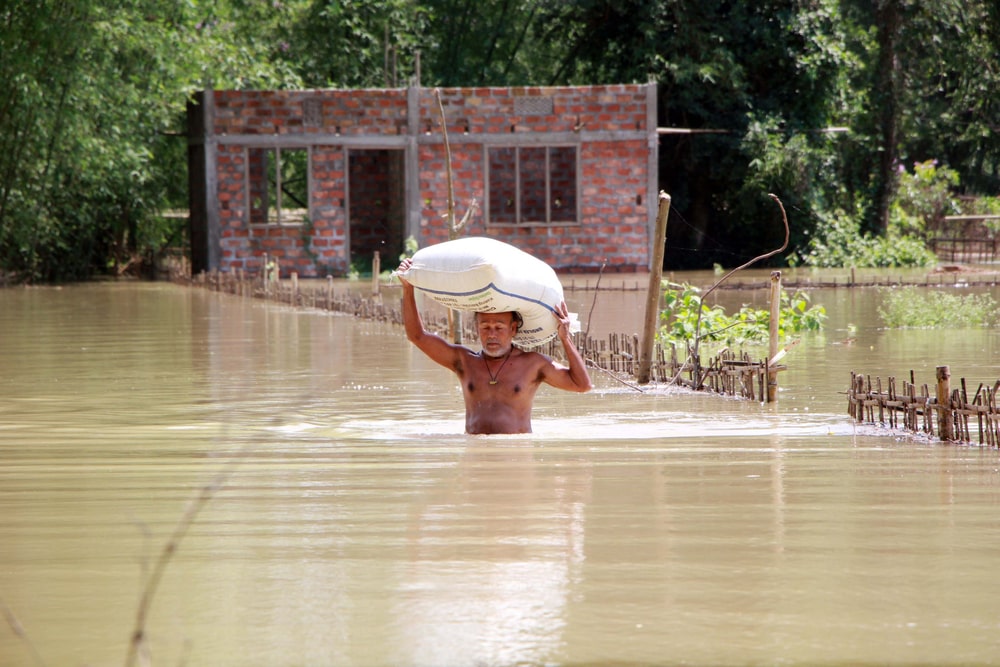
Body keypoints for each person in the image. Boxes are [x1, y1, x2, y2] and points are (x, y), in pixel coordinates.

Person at [397, 258, 592, 434]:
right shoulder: (464, 361)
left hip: (515, 454)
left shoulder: (533, 364)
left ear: (513, 329)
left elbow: (582, 386)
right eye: (485, 327)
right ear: (476, 328)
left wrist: (566, 339)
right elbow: (417, 336)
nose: (491, 334)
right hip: (474, 455)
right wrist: (408, 288)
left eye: (499, 327)